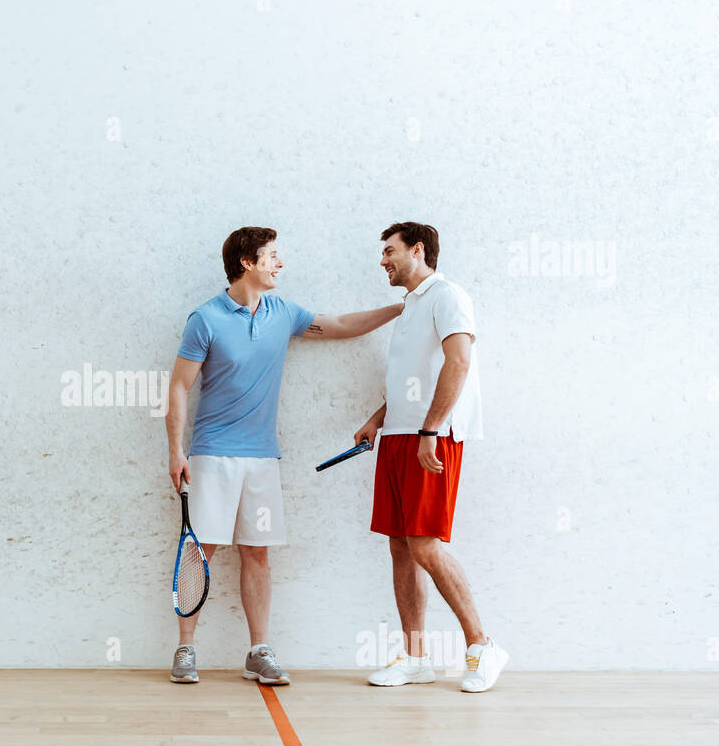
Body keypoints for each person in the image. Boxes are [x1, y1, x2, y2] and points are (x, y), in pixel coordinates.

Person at [165, 226, 403, 685]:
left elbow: (338, 326)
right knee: (200, 551)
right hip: (212, 456)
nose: (280, 264)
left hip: (263, 459)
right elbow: (179, 386)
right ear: (246, 263)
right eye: (272, 256)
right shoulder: (206, 319)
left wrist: (399, 308)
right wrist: (175, 451)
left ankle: (258, 651)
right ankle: (185, 649)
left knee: (257, 554)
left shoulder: (283, 313)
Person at [353, 222, 509, 692]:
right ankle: (416, 658)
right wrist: (380, 417)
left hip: (431, 436)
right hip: (400, 435)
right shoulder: (411, 307)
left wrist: (429, 429)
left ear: (417, 250)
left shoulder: (448, 296)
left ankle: (483, 645)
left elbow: (458, 363)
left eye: (390, 251)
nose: (383, 260)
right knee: (400, 546)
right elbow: (413, 375)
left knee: (424, 544)